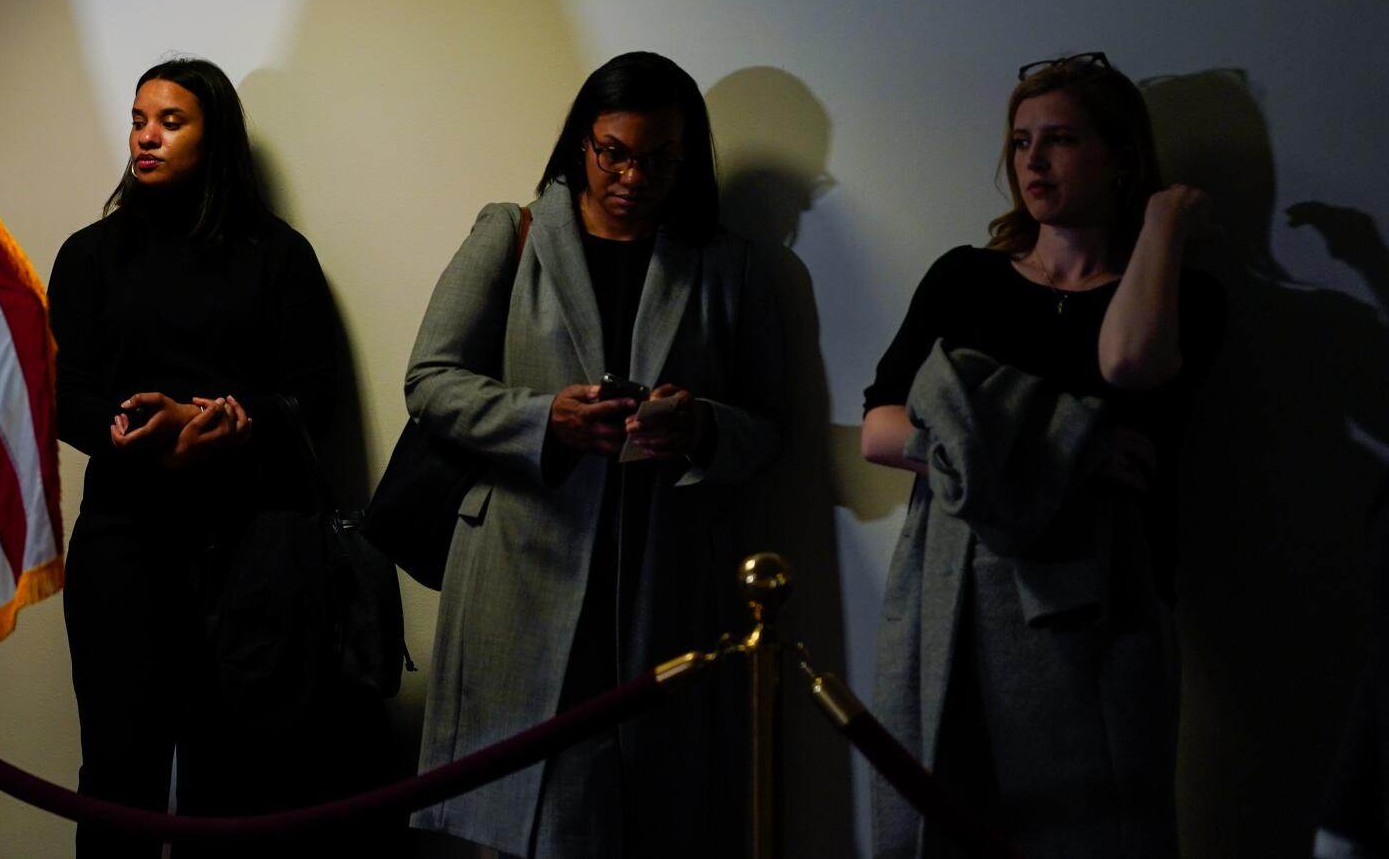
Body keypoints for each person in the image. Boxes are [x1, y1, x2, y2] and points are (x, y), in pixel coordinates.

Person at [406, 50, 785, 859]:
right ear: (582, 141)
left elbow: (766, 425)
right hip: (519, 567)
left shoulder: (724, 263)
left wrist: (698, 426)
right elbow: (431, 381)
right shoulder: (513, 232)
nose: (632, 175)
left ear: (686, 159)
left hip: (661, 579)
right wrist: (547, 419)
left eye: (657, 158)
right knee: (507, 818)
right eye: (614, 151)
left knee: (642, 814)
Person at [861, 52, 1225, 859]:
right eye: (1021, 140)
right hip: (951, 591)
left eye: (1059, 139)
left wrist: (1161, 225)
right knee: (942, 815)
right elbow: (880, 431)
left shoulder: (1181, 293)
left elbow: (1127, 364)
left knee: (1098, 826)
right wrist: (1074, 449)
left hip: (1106, 606)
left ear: (1119, 158)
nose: (1032, 161)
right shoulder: (966, 279)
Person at [52, 57, 373, 859]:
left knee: (234, 783)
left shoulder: (278, 254)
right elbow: (63, 393)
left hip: (252, 548)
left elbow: (314, 397)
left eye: (170, 120)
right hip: (123, 540)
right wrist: (130, 430)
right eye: (137, 118)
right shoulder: (91, 254)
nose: (146, 136)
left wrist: (221, 420)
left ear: (214, 134)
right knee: (118, 776)